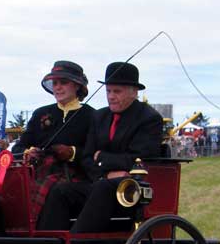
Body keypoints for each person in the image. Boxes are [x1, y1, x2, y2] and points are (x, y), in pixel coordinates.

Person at [37, 61, 163, 232]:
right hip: (100, 183)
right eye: (108, 91)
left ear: (134, 92)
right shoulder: (100, 116)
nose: (111, 96)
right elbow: (88, 157)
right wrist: (106, 174)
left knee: (102, 188)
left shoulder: (148, 118)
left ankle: (75, 243)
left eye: (117, 91)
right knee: (61, 190)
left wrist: (102, 158)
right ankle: (49, 241)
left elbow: (140, 159)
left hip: (131, 191)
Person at [14, 60, 95, 225]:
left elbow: (94, 153)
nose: (57, 87)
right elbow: (18, 147)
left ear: (77, 86)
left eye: (63, 82)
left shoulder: (92, 116)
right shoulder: (40, 114)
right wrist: (28, 152)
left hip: (74, 176)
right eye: (55, 83)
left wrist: (72, 153)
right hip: (39, 172)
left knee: (54, 190)